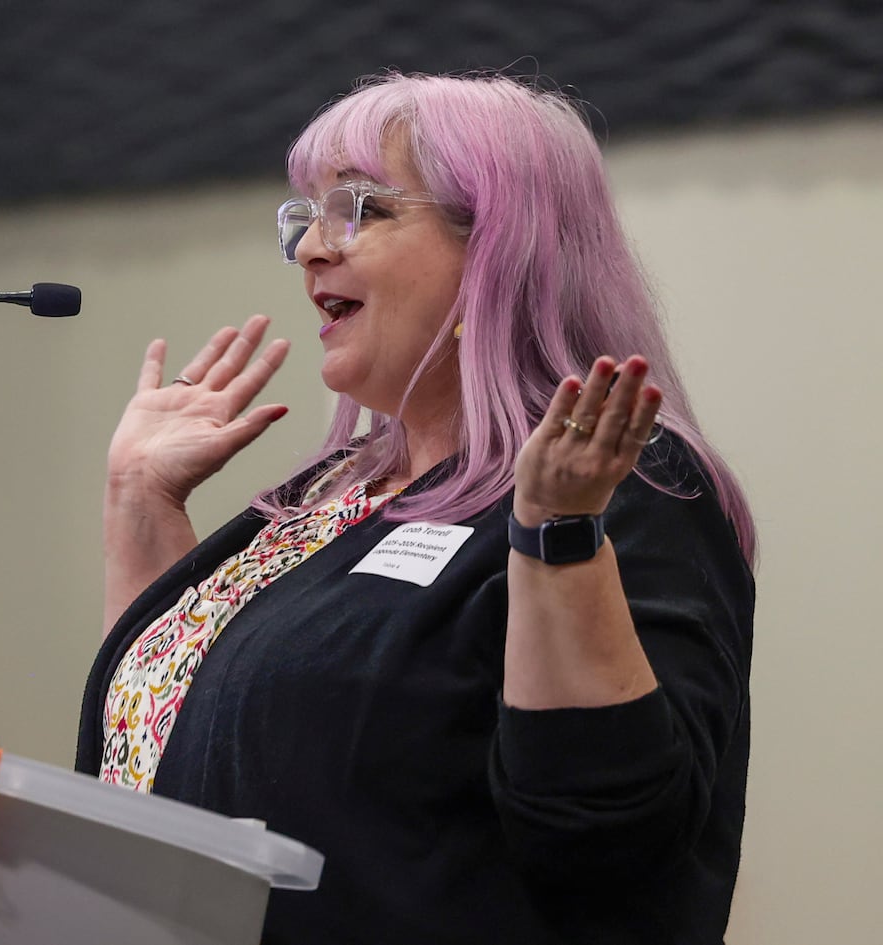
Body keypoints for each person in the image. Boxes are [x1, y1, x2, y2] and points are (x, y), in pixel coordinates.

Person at [74, 71, 756, 945]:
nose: (314, 248)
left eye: (362, 209)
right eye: (307, 217)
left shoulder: (621, 486)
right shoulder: (327, 496)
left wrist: (558, 534)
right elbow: (149, 750)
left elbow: (611, 840)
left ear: (498, 252)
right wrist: (140, 503)